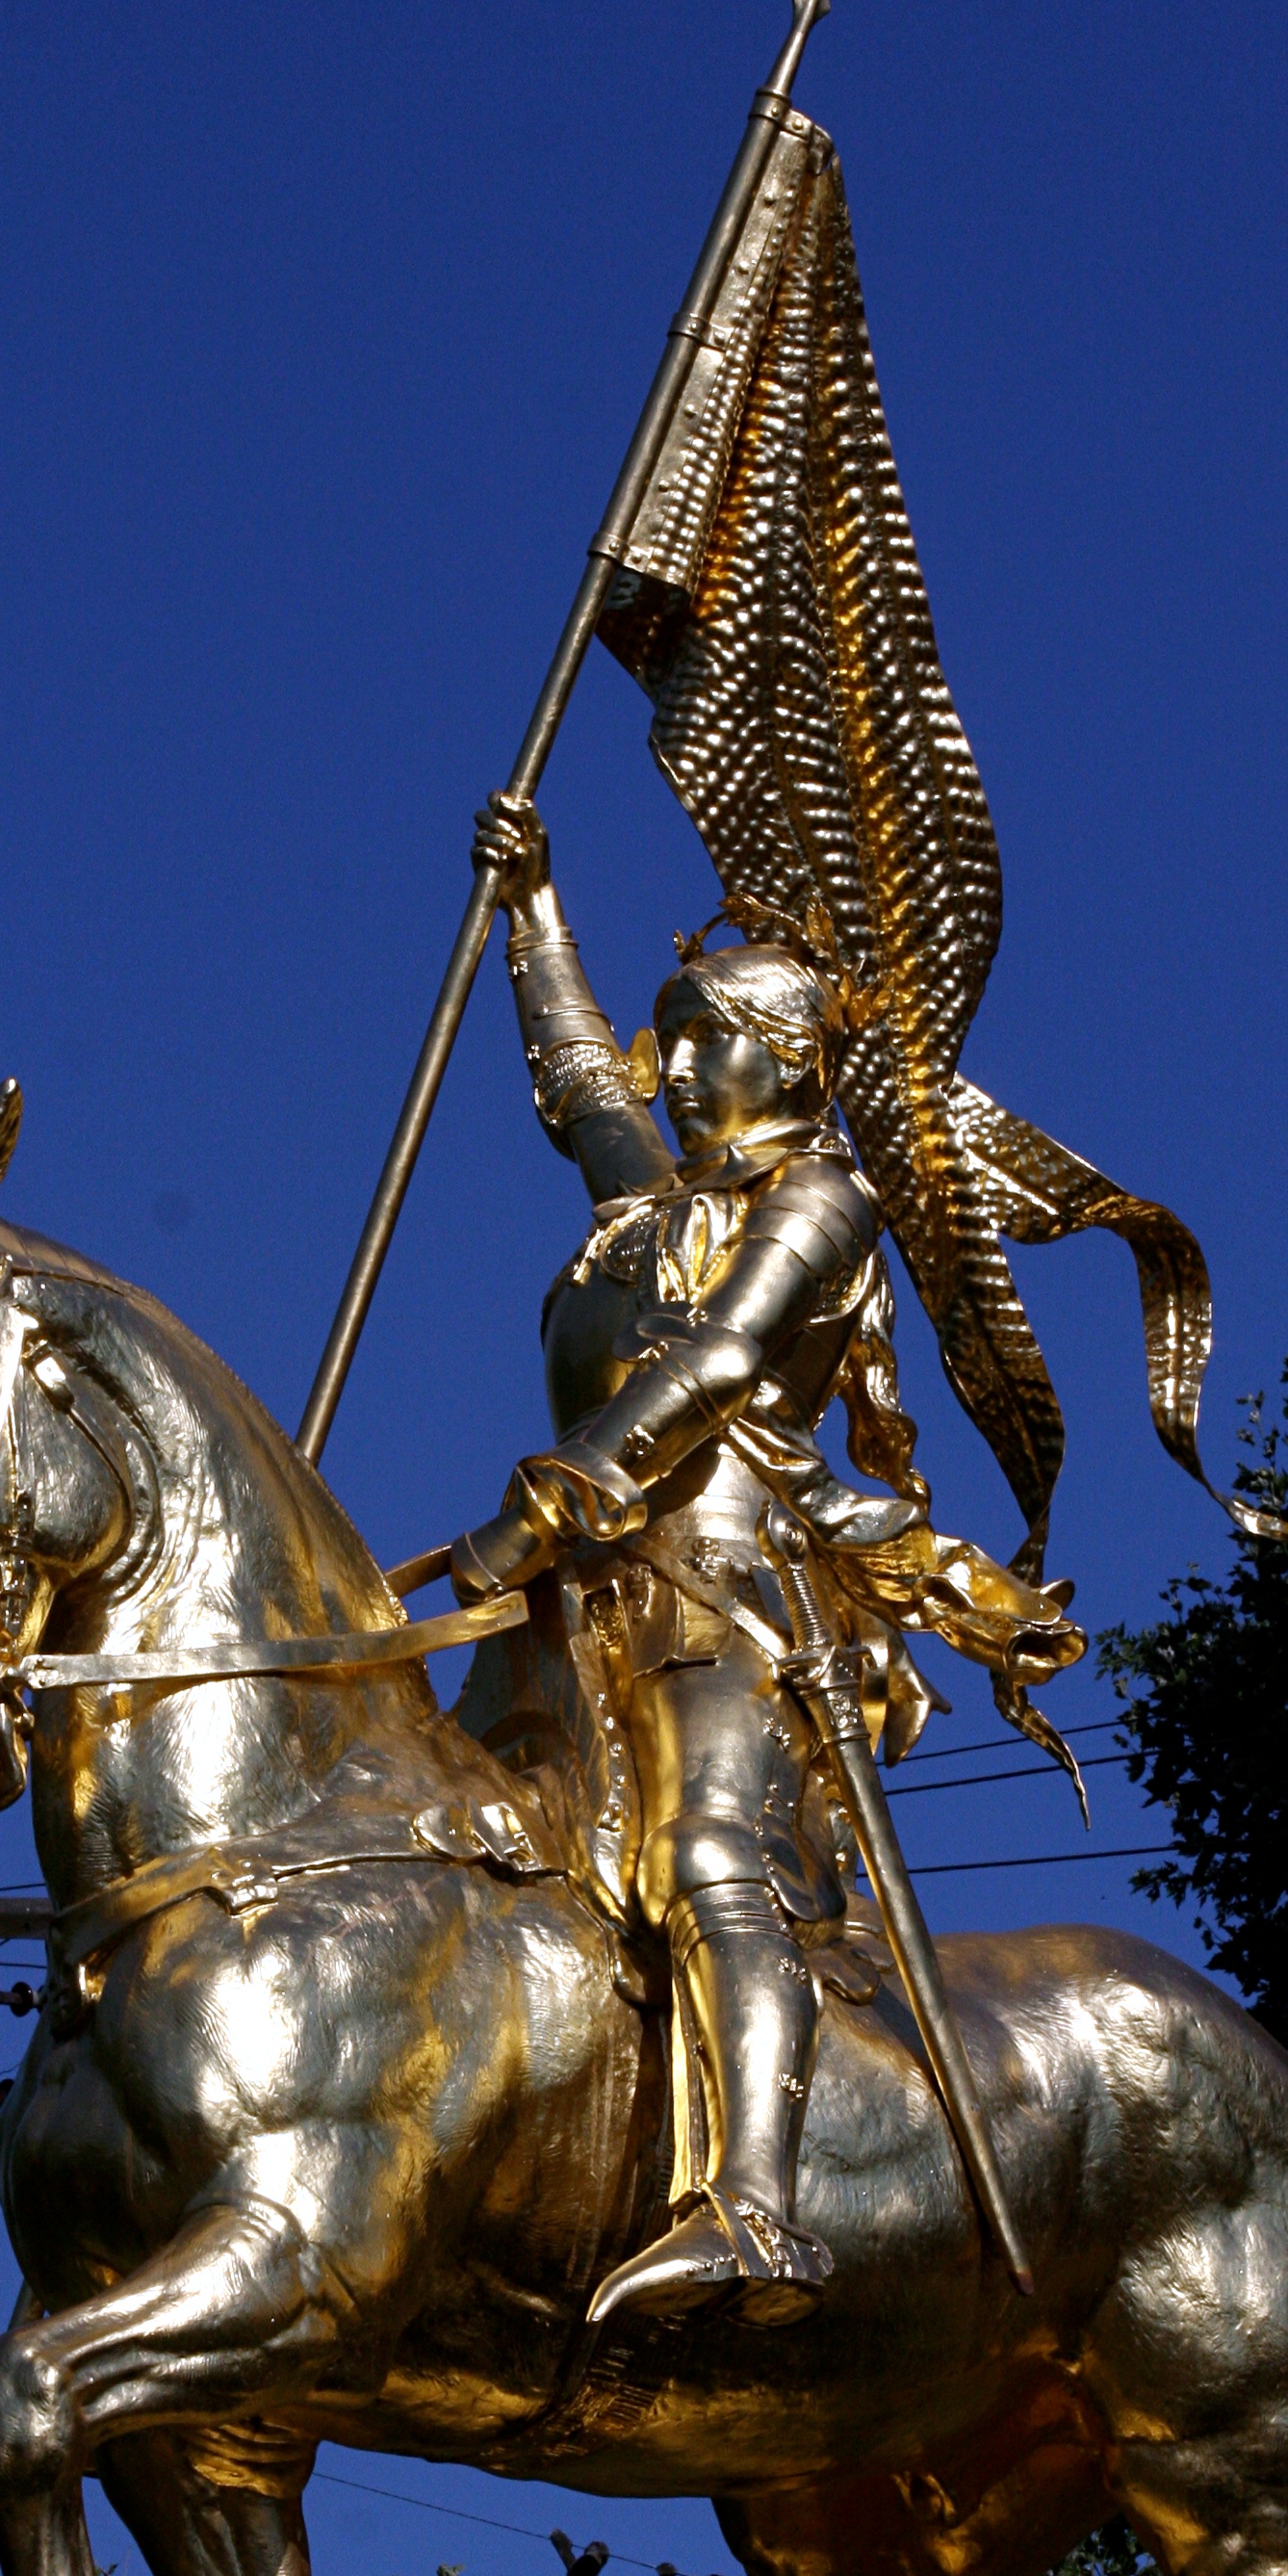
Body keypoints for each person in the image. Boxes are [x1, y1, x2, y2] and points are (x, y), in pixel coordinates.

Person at [449, 792, 1081, 2329]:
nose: (666, 1073)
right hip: (572, 1600)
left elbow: (726, 1362)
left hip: (723, 1598)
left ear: (785, 1057)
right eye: (670, 1044)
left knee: (707, 1857)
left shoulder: (822, 1200)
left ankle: (756, 2208)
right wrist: (533, 908)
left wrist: (563, 1487)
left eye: (701, 1041)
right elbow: (572, 1078)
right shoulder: (647, 1203)